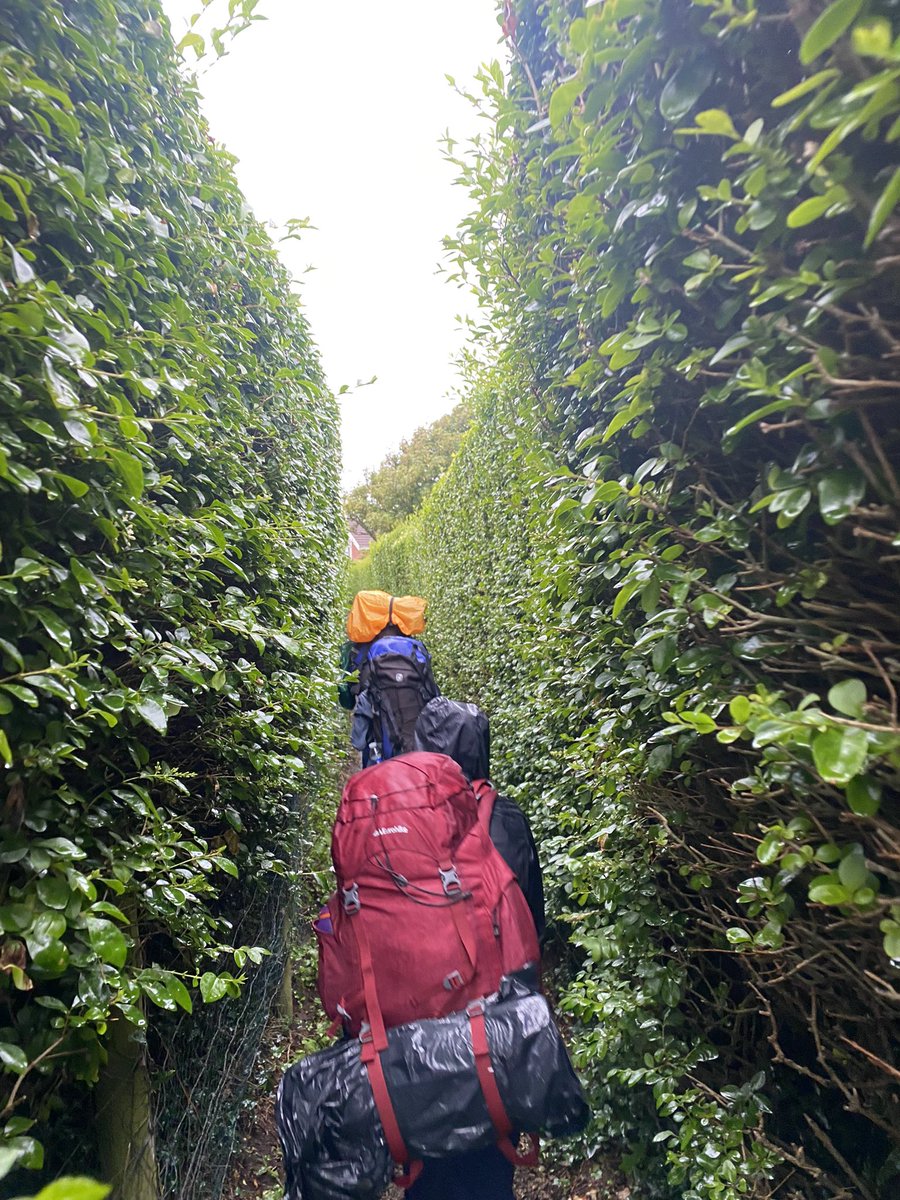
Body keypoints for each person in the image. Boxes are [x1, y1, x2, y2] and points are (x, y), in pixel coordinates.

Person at [407, 696, 546, 1200]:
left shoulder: (394, 826)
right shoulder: (507, 819)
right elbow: (533, 926)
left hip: (415, 1031)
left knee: (426, 1166)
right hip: (494, 1029)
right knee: (490, 1165)